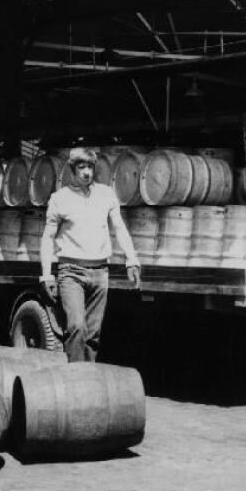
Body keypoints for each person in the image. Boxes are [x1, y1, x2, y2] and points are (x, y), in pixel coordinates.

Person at [40, 147, 141, 362]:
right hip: (71, 272)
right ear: (72, 169)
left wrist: (132, 260)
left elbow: (120, 228)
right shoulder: (60, 199)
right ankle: (76, 381)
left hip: (100, 272)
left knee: (93, 334)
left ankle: (89, 380)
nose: (86, 172)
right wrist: (47, 274)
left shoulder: (106, 194)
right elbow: (47, 238)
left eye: (90, 167)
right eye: (81, 166)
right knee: (76, 327)